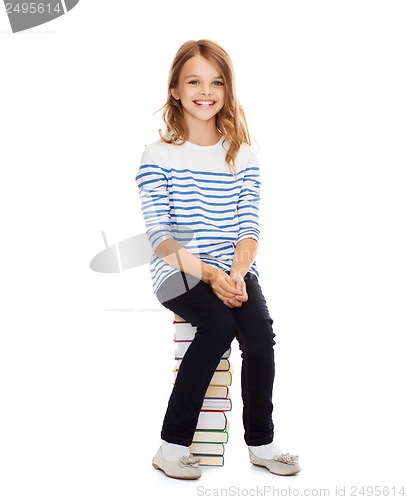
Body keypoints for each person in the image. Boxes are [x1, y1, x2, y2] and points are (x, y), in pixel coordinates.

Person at [135, 39, 300, 480]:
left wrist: (237, 273)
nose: (205, 91)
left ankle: (262, 443)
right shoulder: (159, 155)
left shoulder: (241, 155)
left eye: (216, 82)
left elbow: (249, 229)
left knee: (260, 333)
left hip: (234, 272)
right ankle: (171, 446)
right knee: (219, 325)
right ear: (175, 89)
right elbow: (160, 239)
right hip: (178, 271)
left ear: (227, 91)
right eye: (194, 81)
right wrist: (208, 273)